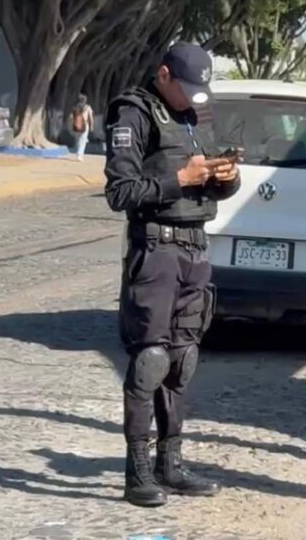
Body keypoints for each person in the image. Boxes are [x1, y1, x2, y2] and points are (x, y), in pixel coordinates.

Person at [103, 42, 241, 507]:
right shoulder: (134, 114)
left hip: (194, 248)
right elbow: (120, 192)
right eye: (185, 89)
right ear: (163, 75)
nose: (192, 100)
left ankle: (171, 462)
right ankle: (137, 472)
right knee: (152, 361)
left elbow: (213, 187)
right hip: (155, 249)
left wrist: (224, 176)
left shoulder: (194, 114)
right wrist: (179, 180)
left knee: (183, 359)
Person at [71, 94, 95, 161]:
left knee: (78, 140)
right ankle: (80, 155)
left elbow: (72, 117)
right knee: (83, 141)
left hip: (76, 125)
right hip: (85, 125)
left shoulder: (75, 107)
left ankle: (78, 153)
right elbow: (90, 117)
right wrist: (92, 126)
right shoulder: (87, 107)